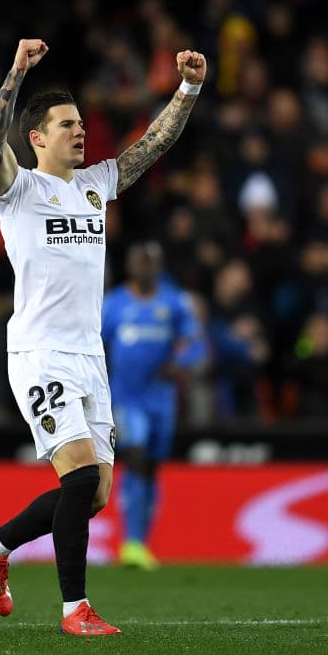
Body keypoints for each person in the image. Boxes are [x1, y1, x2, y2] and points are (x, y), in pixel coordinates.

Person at [0, 38, 207, 635]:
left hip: (89, 358)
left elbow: (155, 145)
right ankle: (76, 610)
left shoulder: (97, 184)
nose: (80, 132)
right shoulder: (17, 189)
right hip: (39, 355)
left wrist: (189, 88)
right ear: (37, 138)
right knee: (76, 479)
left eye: (81, 123)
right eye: (66, 125)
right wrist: (17, 71)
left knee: (94, 494)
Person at [102, 242, 204, 569]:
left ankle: (140, 543)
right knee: (136, 456)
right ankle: (131, 542)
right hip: (127, 398)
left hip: (161, 398)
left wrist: (179, 363)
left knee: (153, 465)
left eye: (150, 262)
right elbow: (94, 344)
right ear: (130, 266)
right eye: (139, 262)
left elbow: (196, 344)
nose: (144, 268)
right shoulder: (113, 304)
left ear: (159, 266)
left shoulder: (174, 302)